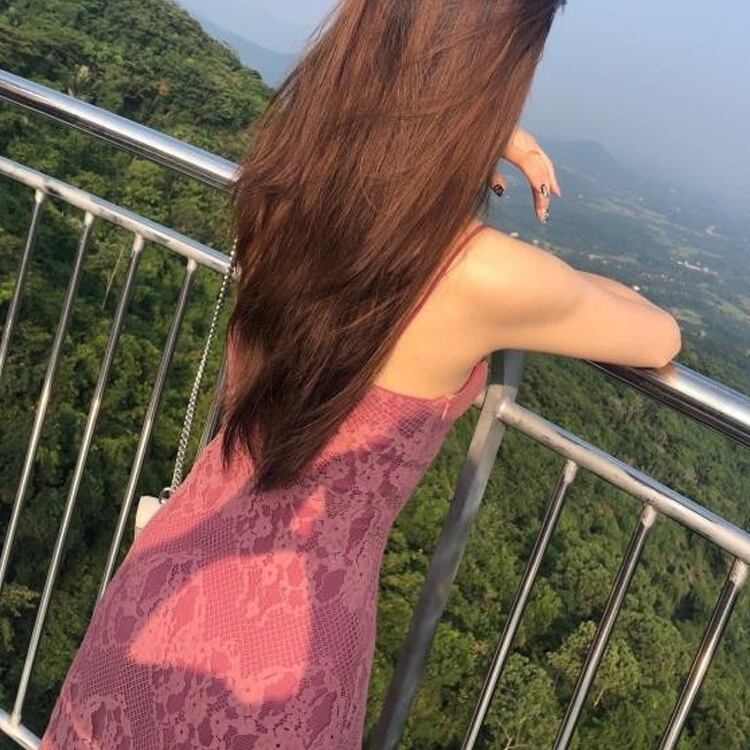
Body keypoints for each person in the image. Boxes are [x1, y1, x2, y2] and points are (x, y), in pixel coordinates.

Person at [39, 0, 681, 747]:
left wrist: (456, 136)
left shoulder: (284, 185)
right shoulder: (483, 276)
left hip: (161, 589)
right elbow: (657, 334)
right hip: (283, 659)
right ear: (496, 74)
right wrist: (474, 143)